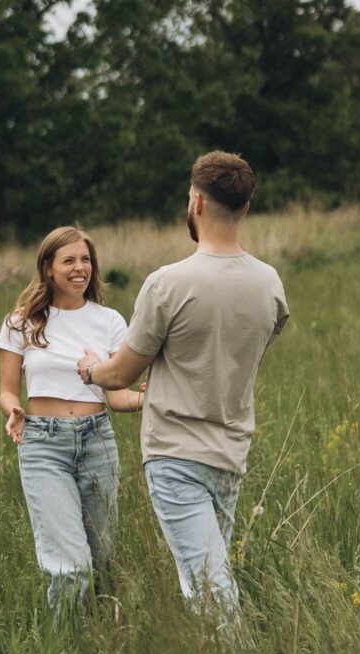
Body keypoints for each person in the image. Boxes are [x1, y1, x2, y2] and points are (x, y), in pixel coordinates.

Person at [76, 151, 289, 621]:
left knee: (209, 593)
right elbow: (248, 351)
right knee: (211, 581)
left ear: (195, 202)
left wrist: (91, 369)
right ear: (245, 208)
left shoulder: (166, 284)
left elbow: (121, 374)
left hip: (176, 457)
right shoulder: (269, 284)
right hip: (231, 455)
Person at [0, 226, 143, 614]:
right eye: (69, 260)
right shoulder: (20, 322)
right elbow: (8, 390)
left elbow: (117, 396)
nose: (80, 268)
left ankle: (101, 642)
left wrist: (148, 399)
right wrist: (13, 409)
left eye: (86, 260)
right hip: (44, 445)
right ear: (48, 268)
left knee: (102, 561)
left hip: (97, 442)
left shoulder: (110, 321)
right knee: (71, 568)